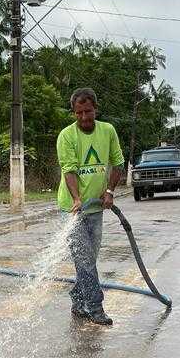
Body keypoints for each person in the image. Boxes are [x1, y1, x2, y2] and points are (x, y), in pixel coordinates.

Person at [56, 87, 125, 326]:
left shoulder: (107, 131)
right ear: (74, 113)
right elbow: (69, 170)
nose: (84, 117)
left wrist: (109, 192)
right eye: (79, 113)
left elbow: (117, 164)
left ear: (96, 109)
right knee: (84, 261)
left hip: (95, 209)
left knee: (88, 262)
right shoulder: (67, 136)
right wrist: (76, 199)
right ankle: (95, 307)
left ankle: (77, 299)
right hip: (72, 209)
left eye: (88, 112)